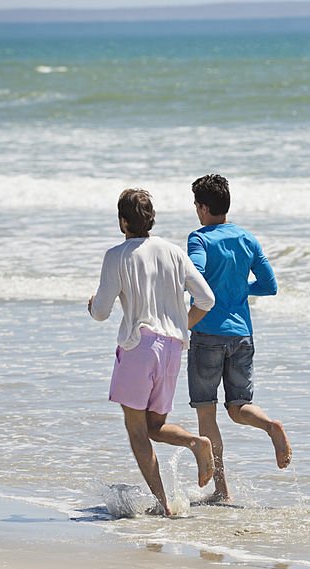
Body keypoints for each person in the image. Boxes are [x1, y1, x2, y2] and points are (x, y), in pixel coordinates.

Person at [89, 188, 216, 516]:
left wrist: (92, 305)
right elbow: (206, 299)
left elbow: (101, 311)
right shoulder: (173, 252)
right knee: (154, 427)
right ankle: (195, 442)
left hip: (138, 347)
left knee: (136, 430)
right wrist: (180, 325)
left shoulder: (116, 255)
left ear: (122, 221)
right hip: (173, 347)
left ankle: (164, 504)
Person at [186, 174, 292, 504]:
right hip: (242, 335)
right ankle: (270, 426)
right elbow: (269, 285)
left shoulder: (199, 239)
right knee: (239, 407)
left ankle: (221, 490)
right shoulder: (246, 238)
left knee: (207, 414)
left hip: (207, 334)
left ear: (203, 207)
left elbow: (195, 275)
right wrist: (237, 290)